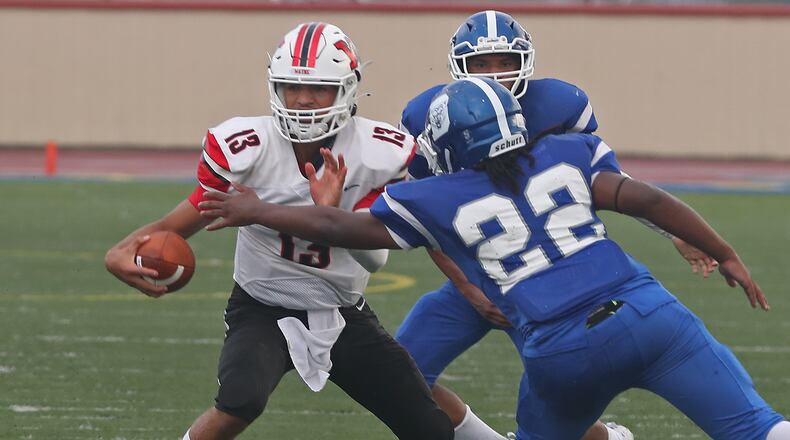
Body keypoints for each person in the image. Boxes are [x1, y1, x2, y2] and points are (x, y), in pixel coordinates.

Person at [198, 77, 790, 440]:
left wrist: (259, 210)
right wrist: (724, 252)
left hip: (561, 347)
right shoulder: (569, 150)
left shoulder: (437, 195)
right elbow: (650, 198)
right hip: (650, 316)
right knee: (756, 428)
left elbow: (336, 225)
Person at [104, 22, 454, 440]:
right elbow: (177, 223)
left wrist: (331, 213)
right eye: (291, 87)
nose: (303, 100)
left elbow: (376, 258)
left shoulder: (377, 153)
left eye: (319, 89)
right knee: (239, 401)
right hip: (261, 307)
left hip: (342, 310)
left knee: (428, 425)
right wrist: (121, 251)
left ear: (346, 89)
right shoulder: (247, 147)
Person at [396, 10, 714, 440]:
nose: (495, 74)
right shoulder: (428, 116)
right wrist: (470, 290)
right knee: (400, 374)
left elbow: (608, 186)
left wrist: (674, 233)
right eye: (481, 64)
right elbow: (426, 221)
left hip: (550, 285)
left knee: (560, 399)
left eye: (504, 61)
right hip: (475, 275)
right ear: (459, 68)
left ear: (525, 60)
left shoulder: (560, 107)